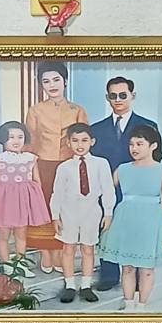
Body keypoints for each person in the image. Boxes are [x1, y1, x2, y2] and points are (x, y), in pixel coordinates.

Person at [88, 76, 159, 290]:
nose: (117, 99)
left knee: (135, 232)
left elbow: (155, 160)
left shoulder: (147, 126)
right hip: (106, 189)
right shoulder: (96, 129)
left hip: (136, 190)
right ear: (107, 98)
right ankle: (109, 276)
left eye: (122, 95)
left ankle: (136, 276)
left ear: (132, 95)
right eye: (113, 96)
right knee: (107, 230)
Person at [97, 124, 162, 312]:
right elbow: (105, 192)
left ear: (153, 146)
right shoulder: (122, 169)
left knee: (147, 269)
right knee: (128, 267)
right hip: (126, 220)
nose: (134, 148)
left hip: (151, 222)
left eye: (140, 144)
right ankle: (129, 305)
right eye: (131, 144)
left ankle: (141, 307)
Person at [23, 62, 89, 279]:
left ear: (65, 81)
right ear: (41, 85)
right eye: (46, 81)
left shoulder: (78, 110)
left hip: (69, 165)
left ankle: (61, 252)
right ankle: (45, 253)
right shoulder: (35, 110)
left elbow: (84, 139)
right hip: (42, 165)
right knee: (42, 209)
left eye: (56, 79)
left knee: (66, 209)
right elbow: (29, 141)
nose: (52, 85)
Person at [49, 123, 115, 303]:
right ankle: (70, 285)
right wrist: (55, 215)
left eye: (84, 140)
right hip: (69, 210)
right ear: (68, 143)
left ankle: (86, 286)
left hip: (91, 210)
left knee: (88, 248)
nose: (80, 145)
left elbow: (108, 189)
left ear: (92, 141)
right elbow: (57, 192)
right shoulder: (64, 167)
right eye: (75, 140)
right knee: (68, 248)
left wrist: (108, 212)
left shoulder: (101, 163)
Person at [0, 121, 49, 265]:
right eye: (11, 137)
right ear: (3, 139)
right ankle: (5, 263)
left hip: (23, 201)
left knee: (21, 234)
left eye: (20, 137)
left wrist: (35, 201)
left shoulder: (31, 158)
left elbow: (37, 181)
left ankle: (20, 263)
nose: (16, 141)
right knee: (4, 234)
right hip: (5, 201)